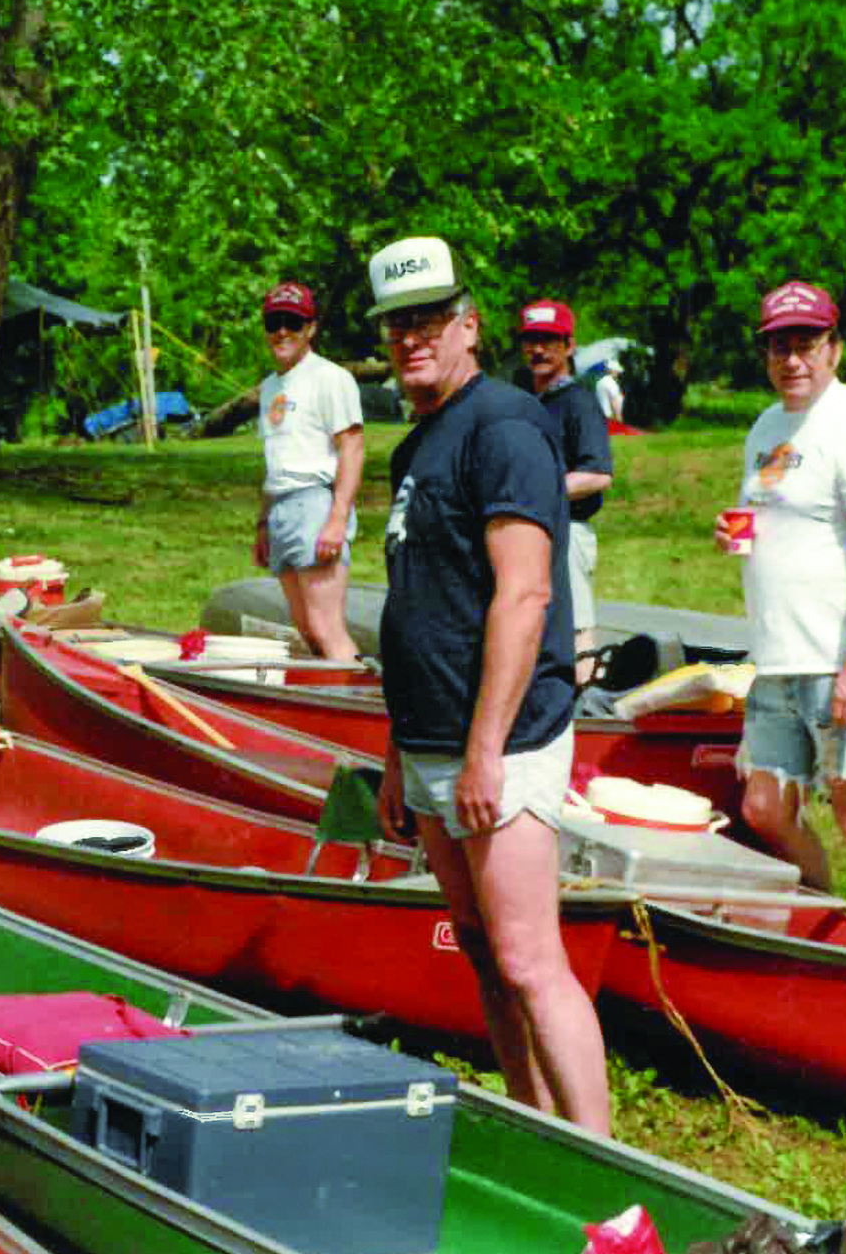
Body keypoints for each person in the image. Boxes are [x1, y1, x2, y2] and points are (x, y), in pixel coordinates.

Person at [369, 235, 609, 1135]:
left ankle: (602, 1157)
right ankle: (532, 1122)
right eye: (398, 323)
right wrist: (398, 751)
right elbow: (419, 603)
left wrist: (483, 753)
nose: (412, 337)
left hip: (502, 742)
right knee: (479, 948)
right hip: (430, 738)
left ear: (468, 326)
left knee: (527, 958)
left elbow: (525, 594)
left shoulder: (504, 426)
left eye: (430, 319)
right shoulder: (416, 447)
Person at [718, 280, 846, 914]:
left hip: (838, 660)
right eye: (780, 347)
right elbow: (767, 515)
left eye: (806, 344)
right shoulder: (768, 426)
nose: (792, 360)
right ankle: (822, 913)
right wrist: (736, 536)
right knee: (764, 807)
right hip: (777, 658)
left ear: (834, 348)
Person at [253, 280, 362, 660]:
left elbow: (352, 447)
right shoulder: (270, 387)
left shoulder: (330, 378)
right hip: (281, 508)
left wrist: (337, 519)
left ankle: (358, 693)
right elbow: (275, 458)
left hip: (316, 504)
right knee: (306, 629)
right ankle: (326, 691)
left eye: (293, 323)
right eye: (274, 323)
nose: (282, 331)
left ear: (311, 328)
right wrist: (263, 524)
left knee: (326, 627)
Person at [518, 300, 613, 678]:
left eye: (549, 341)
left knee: (576, 629)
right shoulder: (523, 402)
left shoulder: (579, 402)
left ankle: (585, 697)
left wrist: (536, 491)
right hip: (526, 533)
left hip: (567, 530)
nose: (539, 350)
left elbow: (598, 474)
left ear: (569, 346)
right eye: (531, 341)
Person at [593, 358, 625, 424]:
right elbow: (614, 402)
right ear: (612, 371)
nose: (618, 373)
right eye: (617, 371)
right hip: (610, 418)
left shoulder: (600, 382)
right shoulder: (611, 383)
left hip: (601, 417)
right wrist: (619, 420)